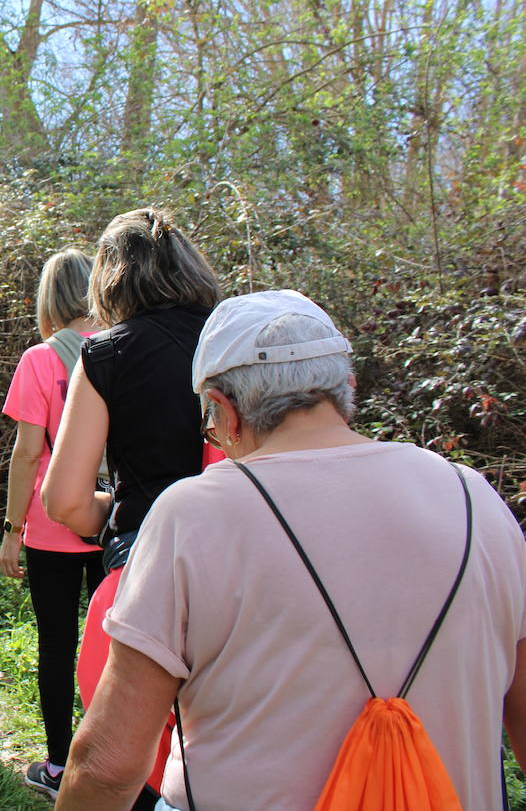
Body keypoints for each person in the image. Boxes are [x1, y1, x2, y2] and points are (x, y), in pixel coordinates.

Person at [56, 289, 526, 811]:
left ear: (223, 411)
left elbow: (107, 766)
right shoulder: (475, 496)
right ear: (347, 388)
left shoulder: (192, 514)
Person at [40, 206, 221, 806]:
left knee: (133, 761)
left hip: (147, 574)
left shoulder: (107, 353)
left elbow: (64, 500)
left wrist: (113, 519)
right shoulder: (238, 338)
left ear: (110, 279)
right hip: (253, 567)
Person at [0, 249, 105, 798]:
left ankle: (61, 765)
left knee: (58, 644)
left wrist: (12, 529)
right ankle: (115, 758)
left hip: (51, 524)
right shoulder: (122, 349)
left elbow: (25, 453)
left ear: (49, 299)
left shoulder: (41, 359)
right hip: (114, 519)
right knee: (114, 644)